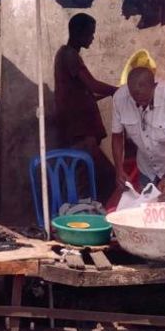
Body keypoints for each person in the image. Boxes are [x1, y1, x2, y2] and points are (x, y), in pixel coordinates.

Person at [54, 13, 118, 201]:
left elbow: (86, 93)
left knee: (86, 177)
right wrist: (120, 90)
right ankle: (89, 214)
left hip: (79, 132)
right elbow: (92, 85)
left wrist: (111, 92)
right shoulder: (69, 55)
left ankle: (86, 211)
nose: (92, 37)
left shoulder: (67, 55)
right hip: (80, 133)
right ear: (78, 33)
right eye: (90, 33)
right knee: (102, 176)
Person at [110, 66, 165, 203]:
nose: (141, 104)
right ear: (129, 90)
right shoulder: (120, 98)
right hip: (147, 162)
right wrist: (119, 169)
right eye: (135, 99)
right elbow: (117, 135)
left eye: (145, 100)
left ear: (154, 86)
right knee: (146, 207)